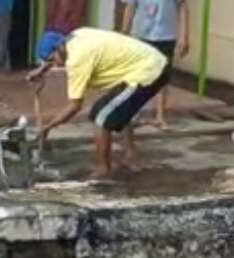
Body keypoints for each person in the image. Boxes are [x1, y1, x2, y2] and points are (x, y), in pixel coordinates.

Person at [28, 28, 169, 178]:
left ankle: (104, 168)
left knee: (102, 117)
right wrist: (42, 70)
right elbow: (57, 55)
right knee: (113, 107)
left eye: (52, 60)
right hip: (153, 63)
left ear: (60, 47)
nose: (55, 64)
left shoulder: (77, 60)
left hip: (148, 72)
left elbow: (75, 106)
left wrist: (48, 127)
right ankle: (131, 154)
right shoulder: (77, 35)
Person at [121, 0, 190, 129]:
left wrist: (184, 36)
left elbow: (183, 7)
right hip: (141, 35)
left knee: (162, 77)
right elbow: (130, 7)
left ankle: (160, 116)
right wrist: (124, 32)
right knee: (138, 76)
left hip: (166, 36)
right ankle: (133, 113)